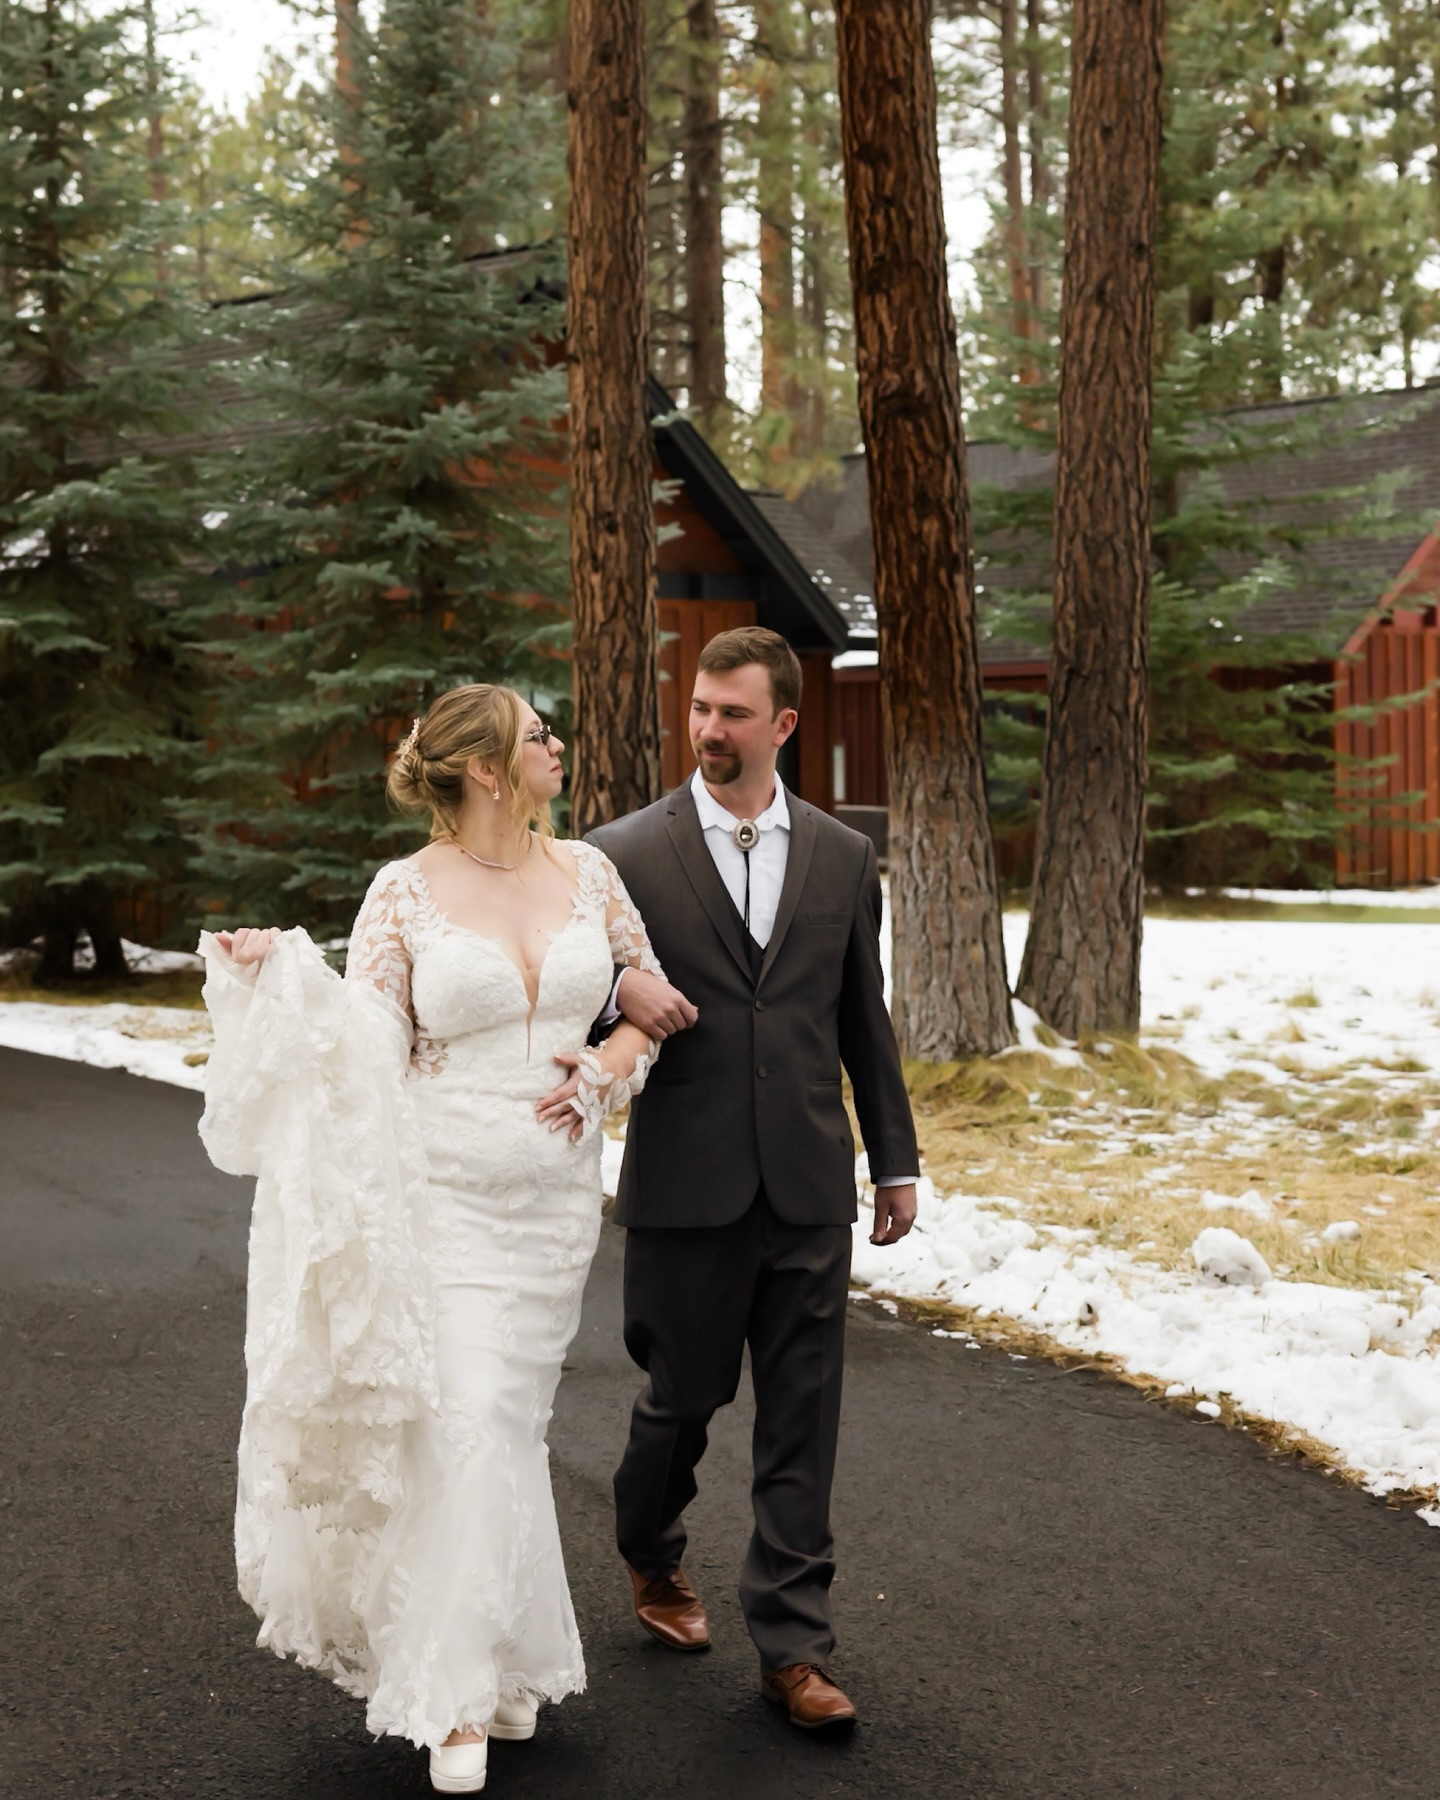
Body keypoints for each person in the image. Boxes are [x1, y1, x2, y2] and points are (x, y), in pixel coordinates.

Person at [196, 684, 670, 1795]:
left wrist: (603, 1074)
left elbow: (641, 1007)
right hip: (442, 1195)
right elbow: (367, 1034)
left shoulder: (591, 876)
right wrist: (287, 976)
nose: (560, 747)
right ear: (491, 770)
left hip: (554, 1203)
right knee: (465, 1424)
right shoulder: (402, 891)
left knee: (509, 1427)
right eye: (540, 736)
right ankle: (453, 1692)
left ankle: (502, 1661)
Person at [584, 625, 920, 1731]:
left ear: (784, 723)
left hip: (810, 1184)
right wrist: (619, 1000)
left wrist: (895, 1160)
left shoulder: (840, 856)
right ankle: (649, 1546)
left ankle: (795, 1647)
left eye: (734, 713)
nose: (710, 729)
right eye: (700, 709)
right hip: (687, 1181)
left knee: (802, 1417)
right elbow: (575, 1004)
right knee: (681, 1401)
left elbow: (858, 1020)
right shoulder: (620, 853)